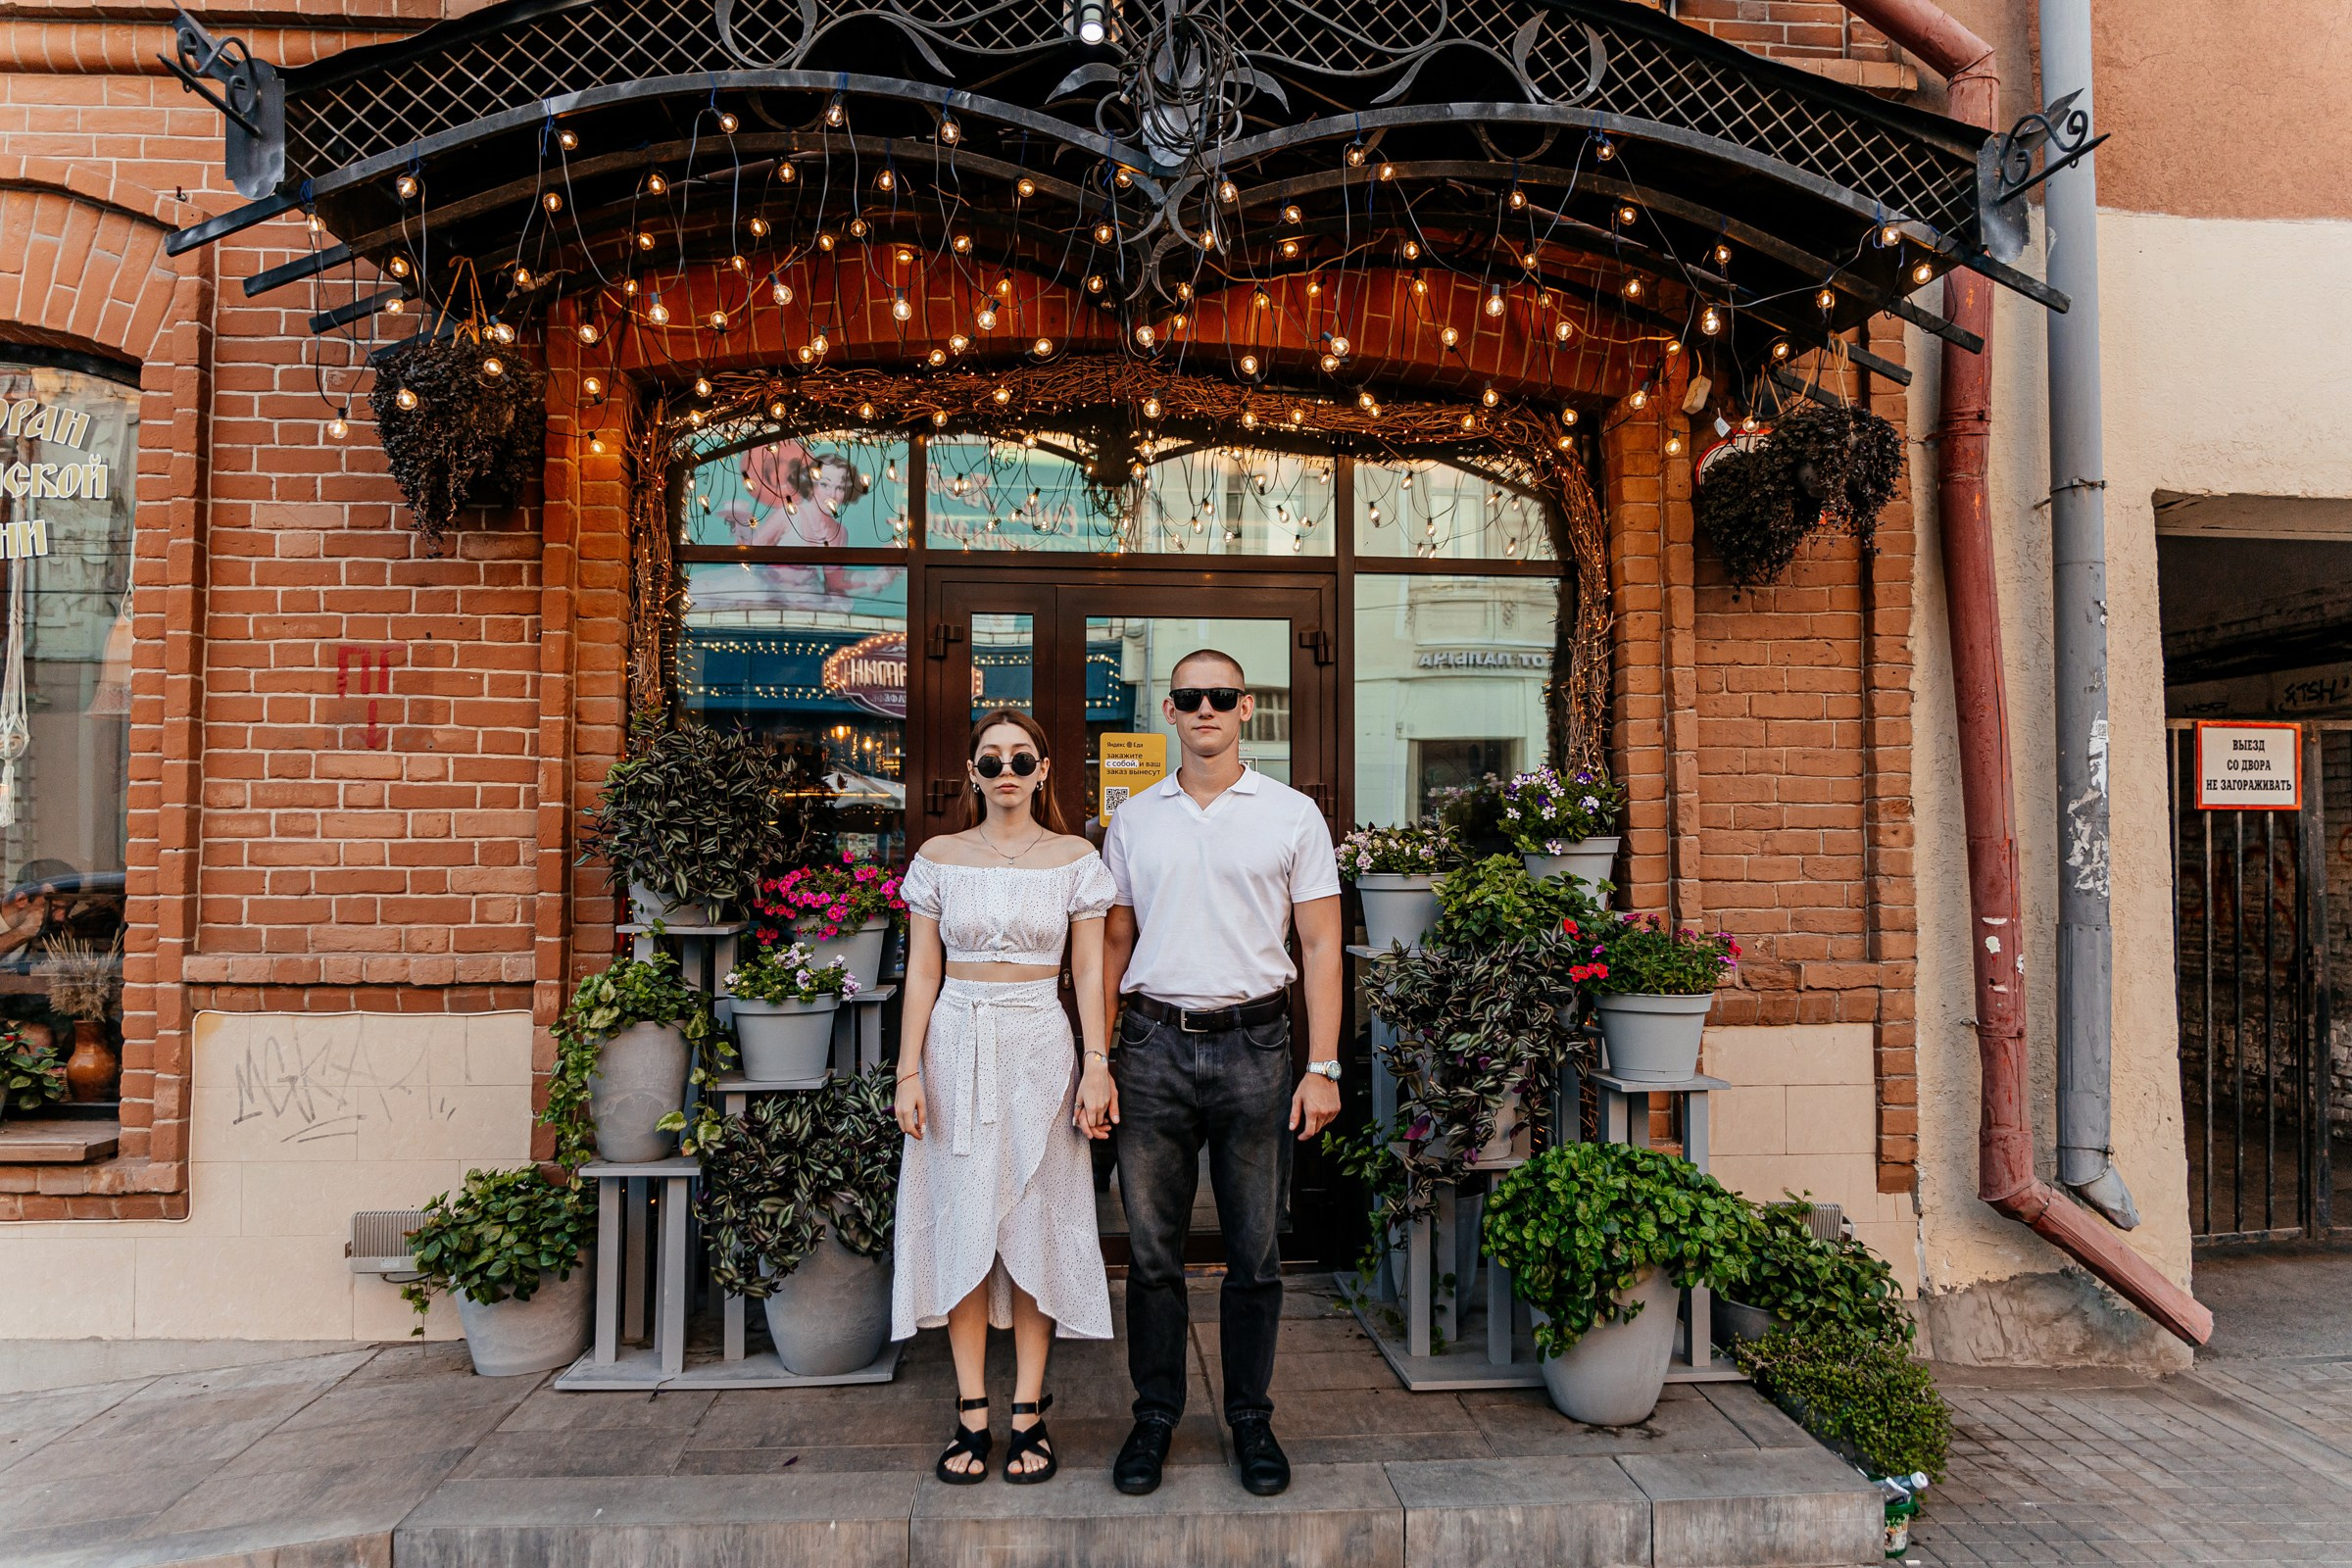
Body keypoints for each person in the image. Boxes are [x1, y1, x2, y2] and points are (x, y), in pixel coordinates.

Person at [1100, 649, 1345, 1497]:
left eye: (1222, 696)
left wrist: (1323, 1065)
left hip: (1257, 1047)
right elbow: (1114, 943)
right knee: (1155, 1255)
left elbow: (1318, 946)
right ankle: (1154, 1417)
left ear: (1246, 709)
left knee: (1254, 1252)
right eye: (1190, 697)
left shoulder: (1291, 816)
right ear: (1168, 712)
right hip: (1152, 1047)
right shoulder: (1133, 819)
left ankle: (1250, 1418)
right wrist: (1097, 1059)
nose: (1206, 708)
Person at [893, 710, 1119, 1486]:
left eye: (1021, 758)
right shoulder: (938, 857)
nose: (1007, 771)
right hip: (954, 1044)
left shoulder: (1076, 859)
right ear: (973, 771)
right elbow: (922, 971)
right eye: (991, 761)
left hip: (1040, 1044)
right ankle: (970, 1411)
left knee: (1034, 1219)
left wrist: (1097, 1062)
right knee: (960, 1218)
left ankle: (1027, 1409)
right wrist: (908, 1071)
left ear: (1045, 769)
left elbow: (1089, 972)